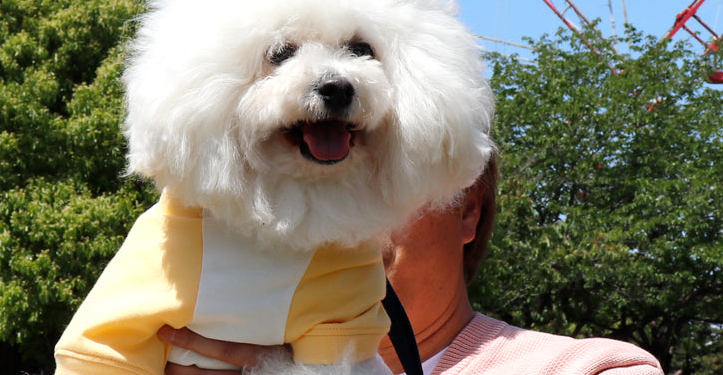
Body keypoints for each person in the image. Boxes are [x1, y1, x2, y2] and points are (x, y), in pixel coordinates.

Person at [158, 159, 663, 375]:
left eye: (379, 182)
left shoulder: (593, 369)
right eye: (304, 191)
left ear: (468, 209)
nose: (337, 221)